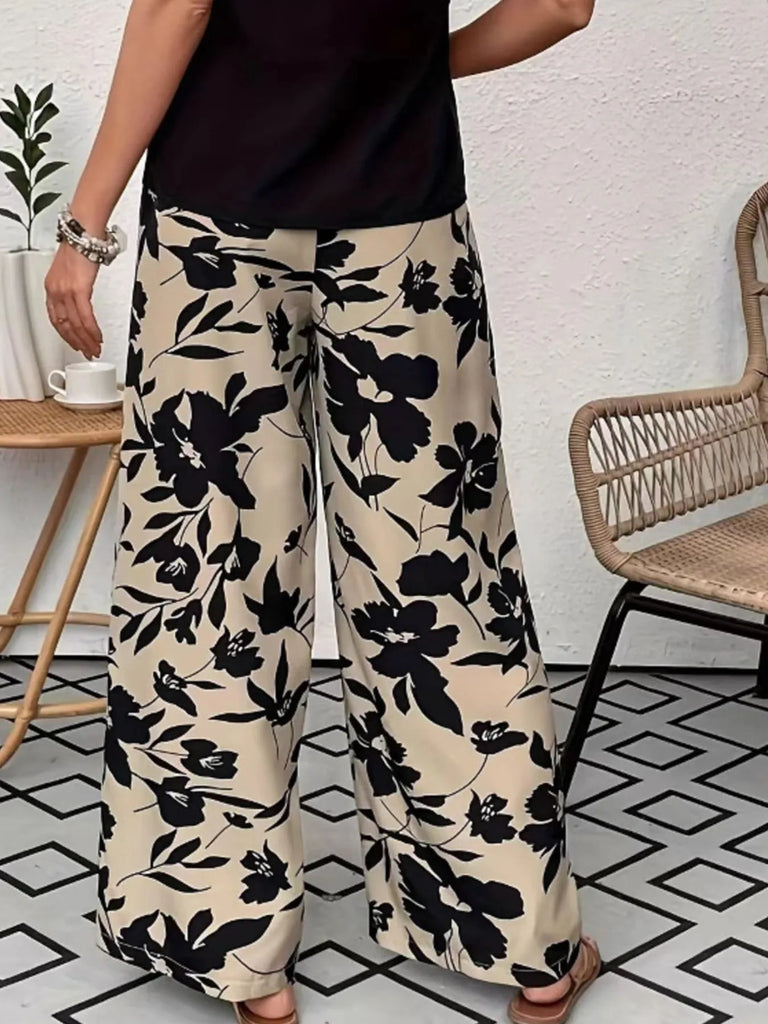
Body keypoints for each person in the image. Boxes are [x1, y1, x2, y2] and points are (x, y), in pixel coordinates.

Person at [44, 2, 600, 1023]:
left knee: (211, 582)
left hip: (217, 226)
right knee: (441, 579)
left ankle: (237, 950)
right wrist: (409, 65)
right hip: (407, 229)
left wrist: (85, 226)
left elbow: (178, 2)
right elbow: (563, 4)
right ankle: (527, 942)